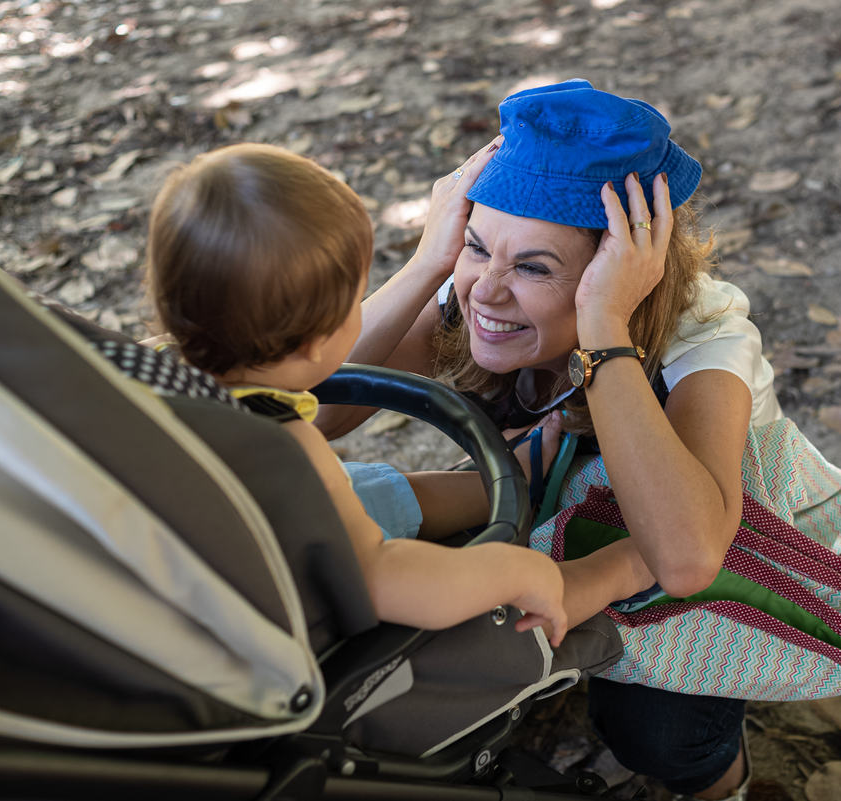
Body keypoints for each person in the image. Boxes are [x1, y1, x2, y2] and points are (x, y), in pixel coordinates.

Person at [314, 79, 796, 800]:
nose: (487, 291)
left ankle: (722, 784)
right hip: (557, 490)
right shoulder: (471, 284)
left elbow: (688, 556)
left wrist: (605, 327)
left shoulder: (706, 337)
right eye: (477, 244)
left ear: (629, 271)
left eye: (535, 267)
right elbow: (312, 410)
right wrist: (427, 264)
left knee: (653, 730)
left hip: (698, 527)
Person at [141, 142, 568, 644]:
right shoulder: (281, 453)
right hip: (242, 625)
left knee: (361, 489)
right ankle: (538, 501)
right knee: (356, 504)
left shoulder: (146, 365)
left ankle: (509, 478)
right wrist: (520, 572)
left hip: (171, 546)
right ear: (320, 340)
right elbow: (390, 579)